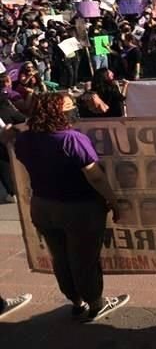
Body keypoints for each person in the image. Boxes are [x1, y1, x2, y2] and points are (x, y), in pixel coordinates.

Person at [9, 92, 129, 321]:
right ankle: (95, 303)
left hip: (43, 206)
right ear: (59, 113)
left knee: (60, 257)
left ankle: (76, 300)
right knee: (84, 260)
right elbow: (96, 177)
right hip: (80, 208)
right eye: (69, 107)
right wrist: (114, 202)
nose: (73, 110)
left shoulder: (25, 139)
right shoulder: (71, 139)